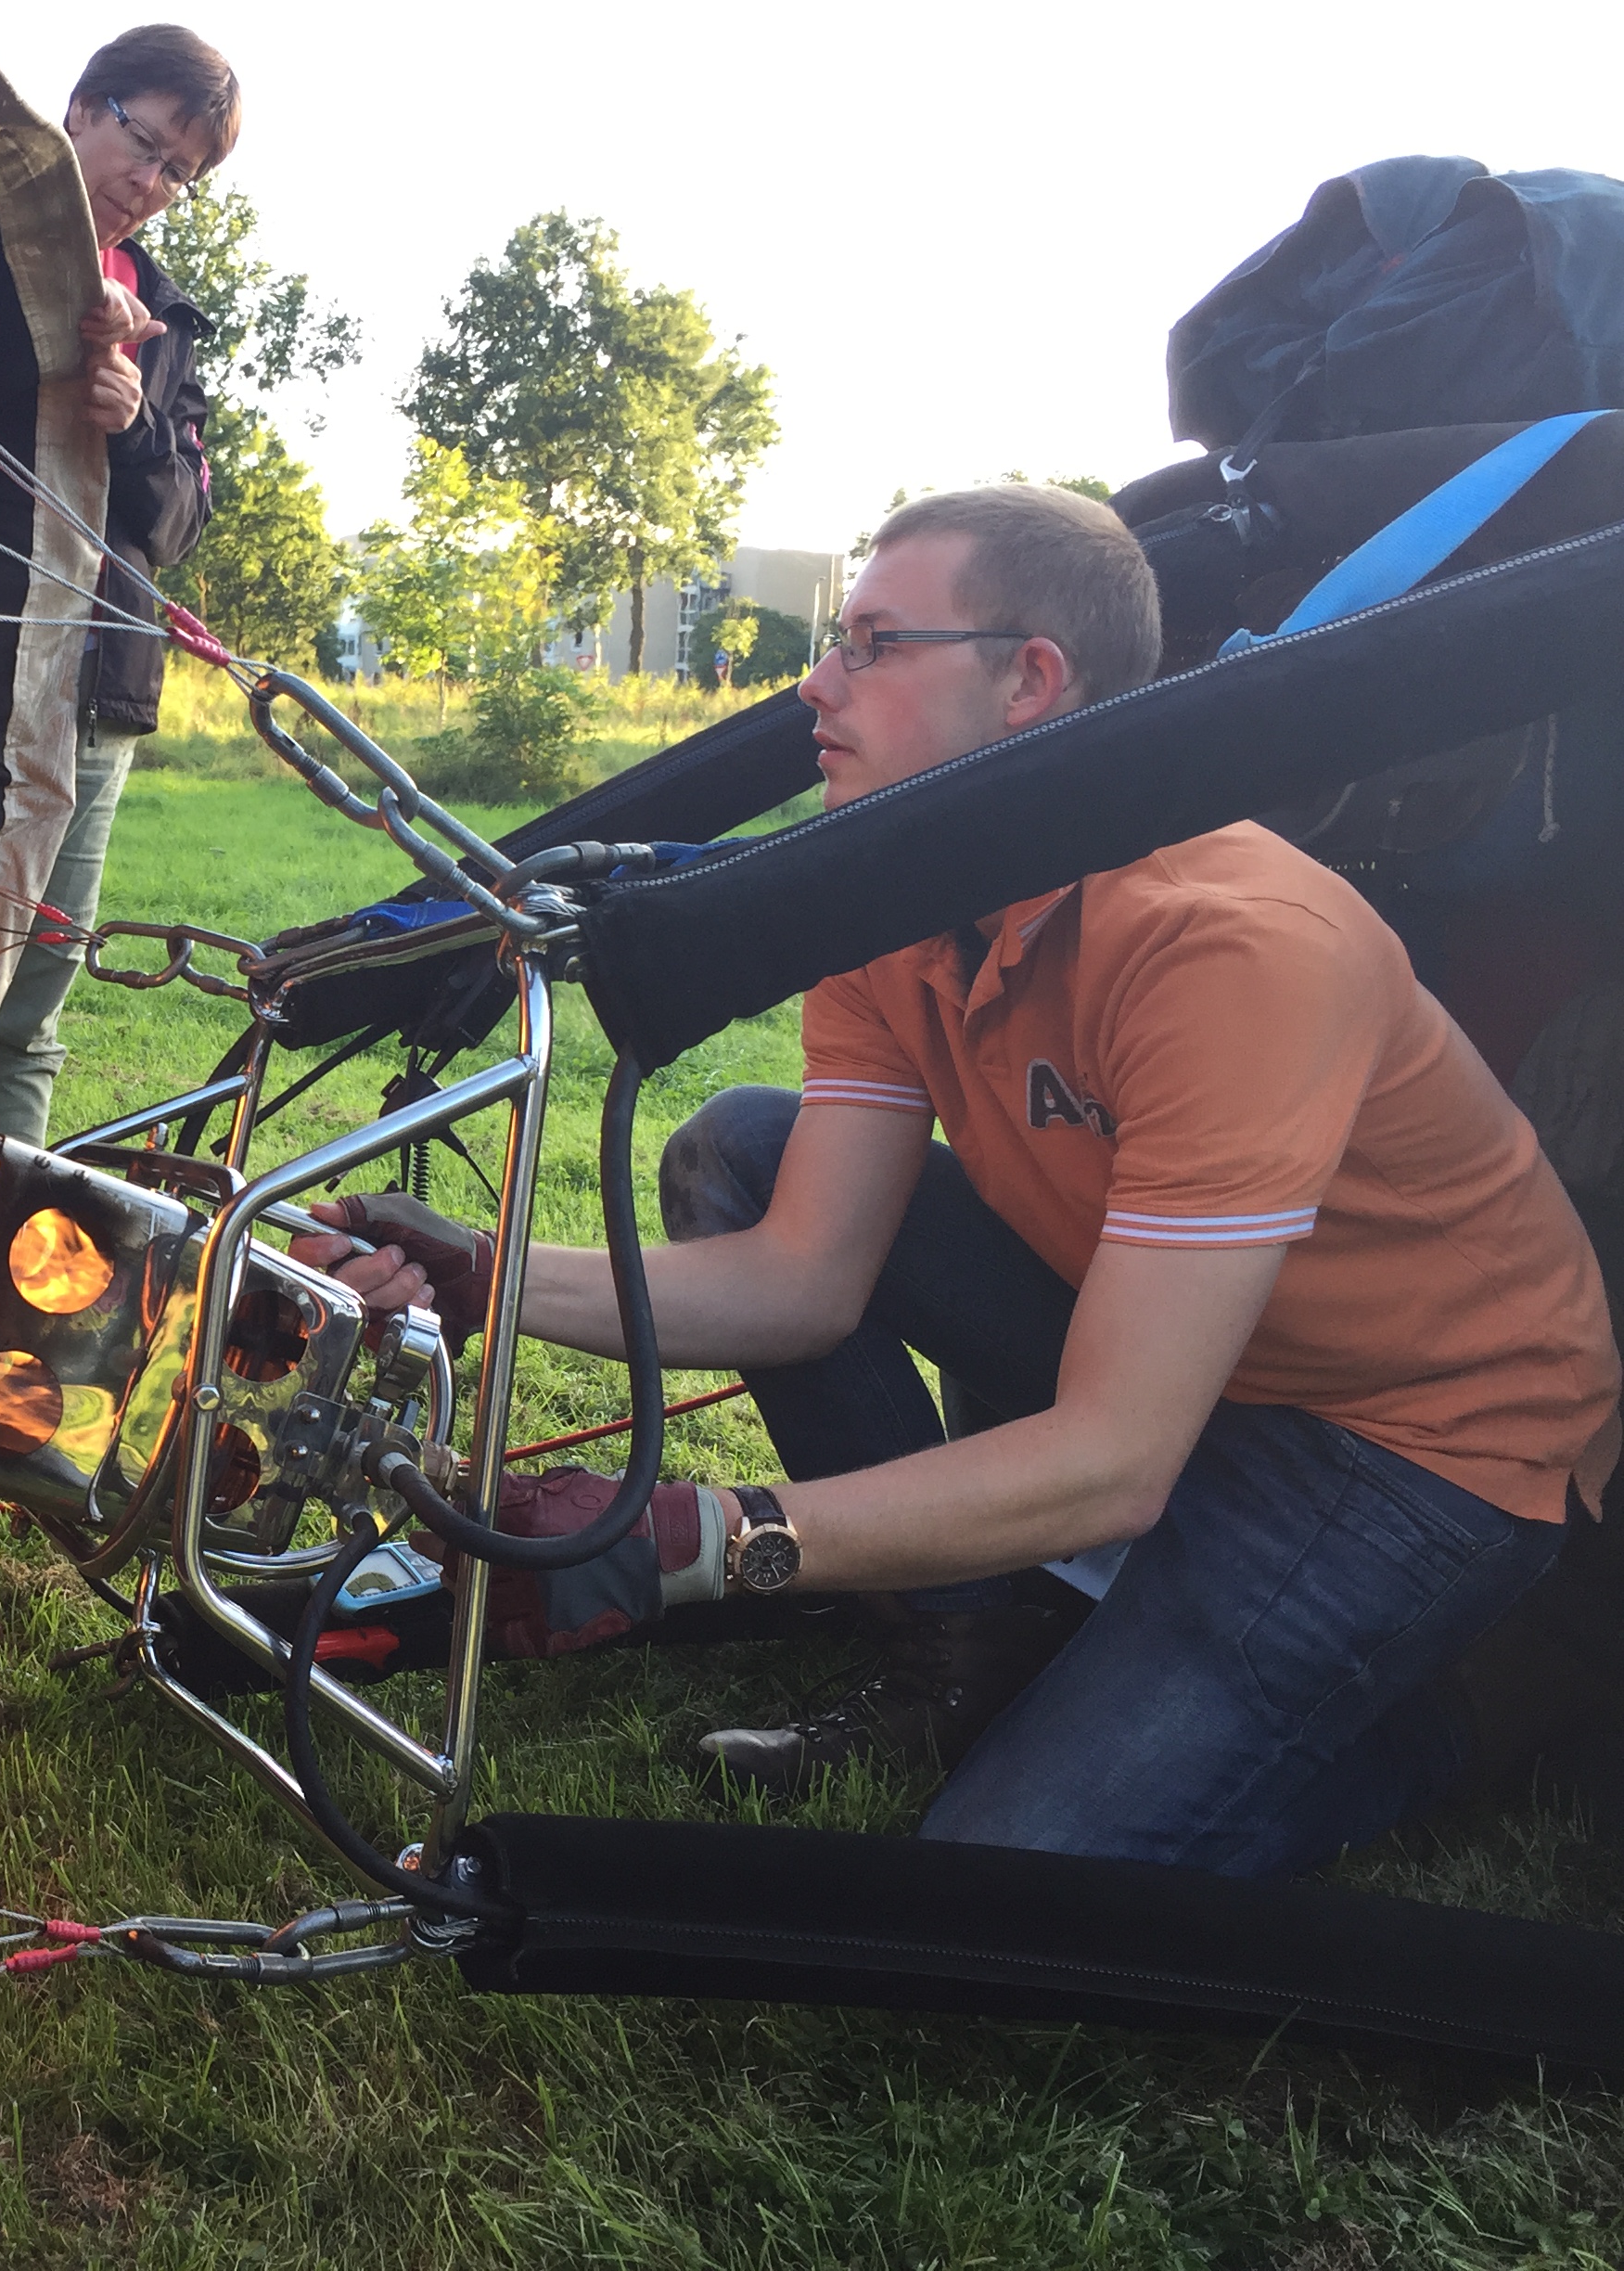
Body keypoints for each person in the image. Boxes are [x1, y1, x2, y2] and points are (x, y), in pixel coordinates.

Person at [291, 482, 1621, 1877]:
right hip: (1171, 1346)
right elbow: (803, 1279)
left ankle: (1486, 1702)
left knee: (1015, 1862)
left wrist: (700, 1539)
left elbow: (1115, 1459)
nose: (815, 684)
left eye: (874, 645)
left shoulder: (1230, 944)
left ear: (1030, 682)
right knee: (745, 1149)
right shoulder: (893, 901)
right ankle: (967, 1638)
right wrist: (484, 1275)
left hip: (1408, 1436)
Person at [0, 26, 236, 1146]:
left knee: (30, 1005)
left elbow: (180, 521)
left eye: (181, 172)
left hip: (93, 700)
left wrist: (132, 421)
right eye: (145, 142)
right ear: (81, 107)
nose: (152, 182)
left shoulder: (166, 321)